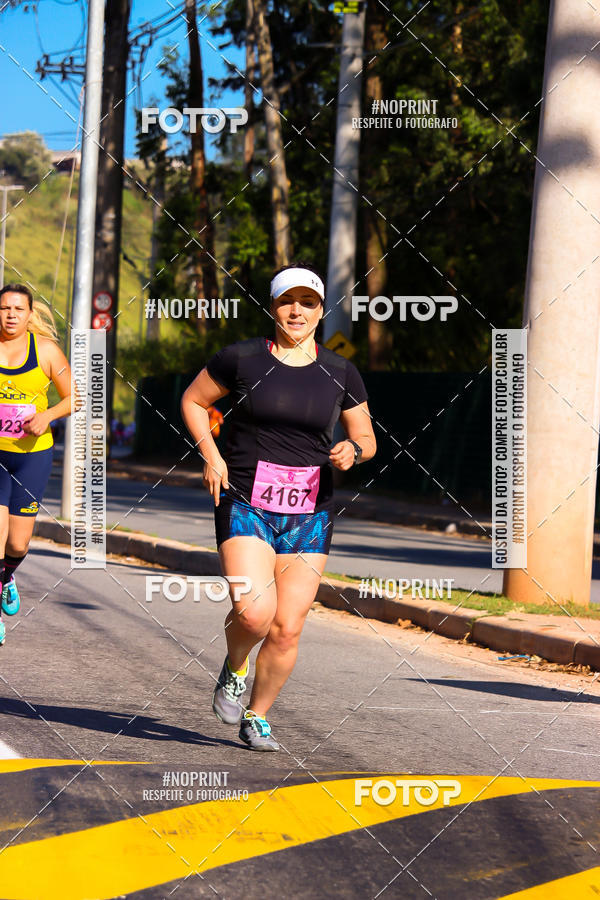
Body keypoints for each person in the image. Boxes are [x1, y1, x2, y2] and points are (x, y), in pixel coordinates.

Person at [181, 263, 376, 750]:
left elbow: (366, 436)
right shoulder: (241, 359)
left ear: (321, 310)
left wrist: (353, 450)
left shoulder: (340, 371)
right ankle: (235, 666)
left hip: (311, 511)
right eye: (287, 301)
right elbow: (193, 401)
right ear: (273, 307)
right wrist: (211, 456)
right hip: (246, 499)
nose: (297, 311)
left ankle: (258, 716)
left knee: (287, 628)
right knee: (253, 613)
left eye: (307, 302)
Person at [0, 284, 72, 647]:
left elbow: (74, 396)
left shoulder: (45, 350)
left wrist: (47, 416)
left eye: (18, 309)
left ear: (30, 314)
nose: (11, 314)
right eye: (4, 308)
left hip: (32, 455)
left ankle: (7, 576)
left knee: (18, 542)